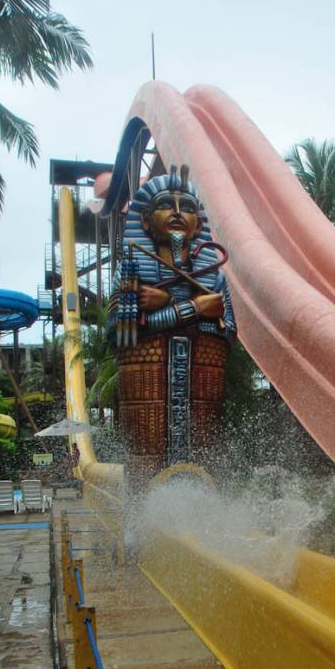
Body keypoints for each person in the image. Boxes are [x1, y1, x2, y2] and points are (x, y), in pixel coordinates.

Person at [107, 165, 237, 483]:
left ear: (197, 226)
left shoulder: (215, 277)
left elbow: (228, 332)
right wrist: (191, 309)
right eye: (166, 204)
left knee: (206, 469)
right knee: (144, 471)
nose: (178, 212)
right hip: (145, 383)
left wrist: (166, 309)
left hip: (202, 384)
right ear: (146, 221)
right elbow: (119, 335)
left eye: (188, 207)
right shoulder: (130, 272)